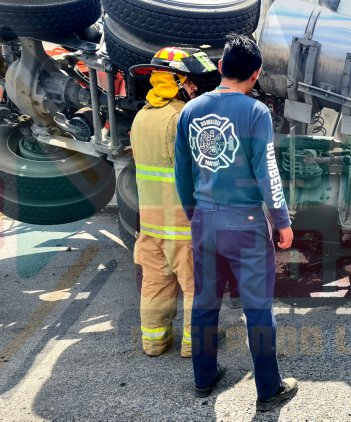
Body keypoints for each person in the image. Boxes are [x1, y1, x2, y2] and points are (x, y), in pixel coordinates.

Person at [174, 35, 298, 411]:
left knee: (205, 303)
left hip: (205, 220)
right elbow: (268, 172)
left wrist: (194, 214)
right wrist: (282, 221)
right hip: (244, 223)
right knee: (257, 308)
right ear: (255, 74)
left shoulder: (190, 111)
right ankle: (268, 389)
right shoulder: (255, 113)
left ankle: (203, 377)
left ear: (222, 68)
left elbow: (182, 174)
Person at [128, 47, 217, 358]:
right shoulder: (184, 118)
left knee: (155, 286)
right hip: (183, 224)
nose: (194, 88)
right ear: (177, 81)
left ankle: (154, 342)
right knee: (197, 288)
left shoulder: (140, 118)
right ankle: (195, 346)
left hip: (150, 223)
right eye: (190, 83)